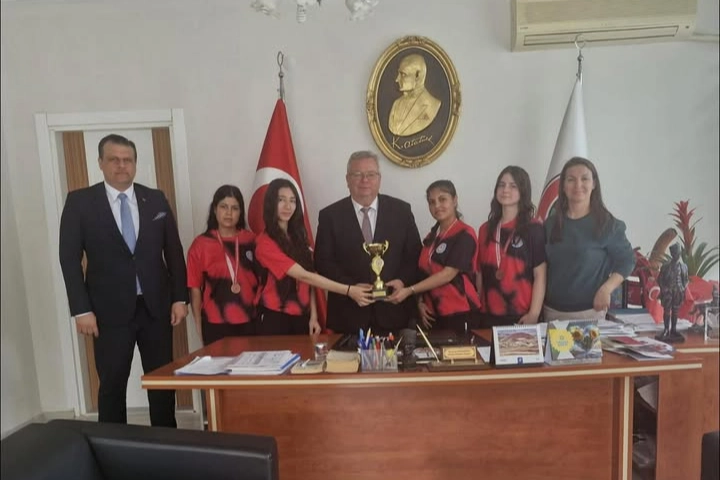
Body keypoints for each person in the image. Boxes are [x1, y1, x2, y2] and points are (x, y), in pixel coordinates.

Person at [59, 134, 188, 427]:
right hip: (108, 313)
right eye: (114, 160)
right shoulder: (80, 202)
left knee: (162, 383)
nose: (121, 165)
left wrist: (180, 298)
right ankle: (113, 444)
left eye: (127, 160)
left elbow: (174, 251)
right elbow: (69, 259)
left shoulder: (155, 199)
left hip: (155, 309)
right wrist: (81, 310)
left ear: (135, 164)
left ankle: (166, 442)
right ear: (101, 163)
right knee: (112, 384)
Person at [315, 150, 423, 334]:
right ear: (347, 179)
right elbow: (323, 262)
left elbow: (414, 255)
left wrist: (402, 281)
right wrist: (349, 287)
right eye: (357, 174)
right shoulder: (330, 216)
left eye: (371, 174)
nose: (364, 180)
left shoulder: (401, 211)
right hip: (348, 315)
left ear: (379, 178)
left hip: (395, 313)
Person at [255, 178, 373, 335]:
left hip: (302, 316)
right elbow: (304, 276)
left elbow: (310, 277)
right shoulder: (265, 242)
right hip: (275, 317)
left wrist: (314, 316)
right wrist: (349, 290)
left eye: (292, 201)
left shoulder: (297, 237)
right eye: (281, 200)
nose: (288, 206)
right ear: (271, 203)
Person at [544, 157, 635, 321]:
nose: (578, 185)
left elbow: (627, 260)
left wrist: (606, 289)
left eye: (584, 179)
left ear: (594, 184)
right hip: (551, 312)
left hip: (590, 313)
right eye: (571, 179)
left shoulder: (608, 225)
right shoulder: (550, 224)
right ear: (563, 186)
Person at [388, 180, 482, 334]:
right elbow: (422, 273)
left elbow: (448, 274)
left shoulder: (465, 234)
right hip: (432, 315)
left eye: (442, 199)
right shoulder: (430, 237)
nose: (437, 206)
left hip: (460, 313)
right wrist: (420, 302)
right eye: (432, 202)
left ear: (455, 200)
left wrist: (409, 291)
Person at [187, 185, 259, 345]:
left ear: (240, 212)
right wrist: (198, 324)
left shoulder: (252, 241)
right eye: (223, 207)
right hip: (215, 323)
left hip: (250, 321)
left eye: (235, 208)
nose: (229, 213)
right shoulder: (201, 244)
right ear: (214, 209)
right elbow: (195, 288)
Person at [476, 166, 546, 326]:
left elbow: (540, 275)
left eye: (513, 186)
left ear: (523, 191)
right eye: (501, 185)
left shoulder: (533, 228)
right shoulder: (485, 229)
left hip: (522, 315)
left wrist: (534, 313)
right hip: (488, 314)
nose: (505, 190)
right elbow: (480, 273)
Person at [388, 53, 442, 137]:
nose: (397, 79)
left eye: (403, 74)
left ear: (417, 76)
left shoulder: (433, 104)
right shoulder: (396, 104)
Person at [656, 243, 689, 342]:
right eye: (675, 253)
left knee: (675, 310)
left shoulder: (684, 266)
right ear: (672, 254)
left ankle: (673, 330)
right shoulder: (666, 266)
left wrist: (682, 287)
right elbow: (660, 279)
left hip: (678, 291)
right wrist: (664, 288)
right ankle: (666, 329)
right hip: (668, 291)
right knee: (667, 310)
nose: (677, 255)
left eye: (678, 253)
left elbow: (686, 280)